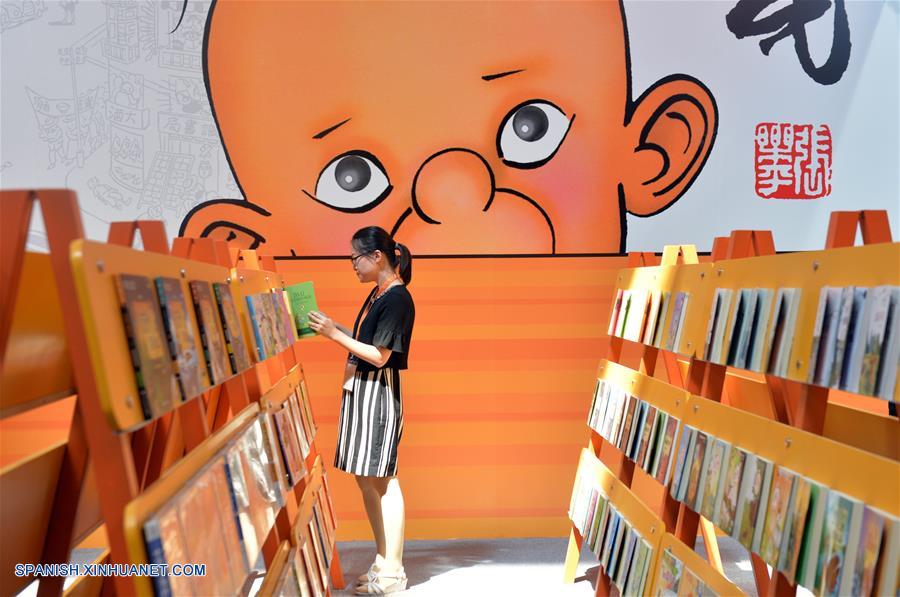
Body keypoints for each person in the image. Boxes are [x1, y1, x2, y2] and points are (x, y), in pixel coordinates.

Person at [307, 226, 415, 595]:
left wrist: (333, 335)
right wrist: (332, 326)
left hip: (378, 395)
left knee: (384, 480)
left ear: (376, 257)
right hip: (361, 393)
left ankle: (393, 571)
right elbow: (365, 342)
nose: (352, 264)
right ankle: (382, 561)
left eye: (355, 257)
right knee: (365, 478)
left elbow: (379, 356)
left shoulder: (397, 299)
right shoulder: (378, 294)